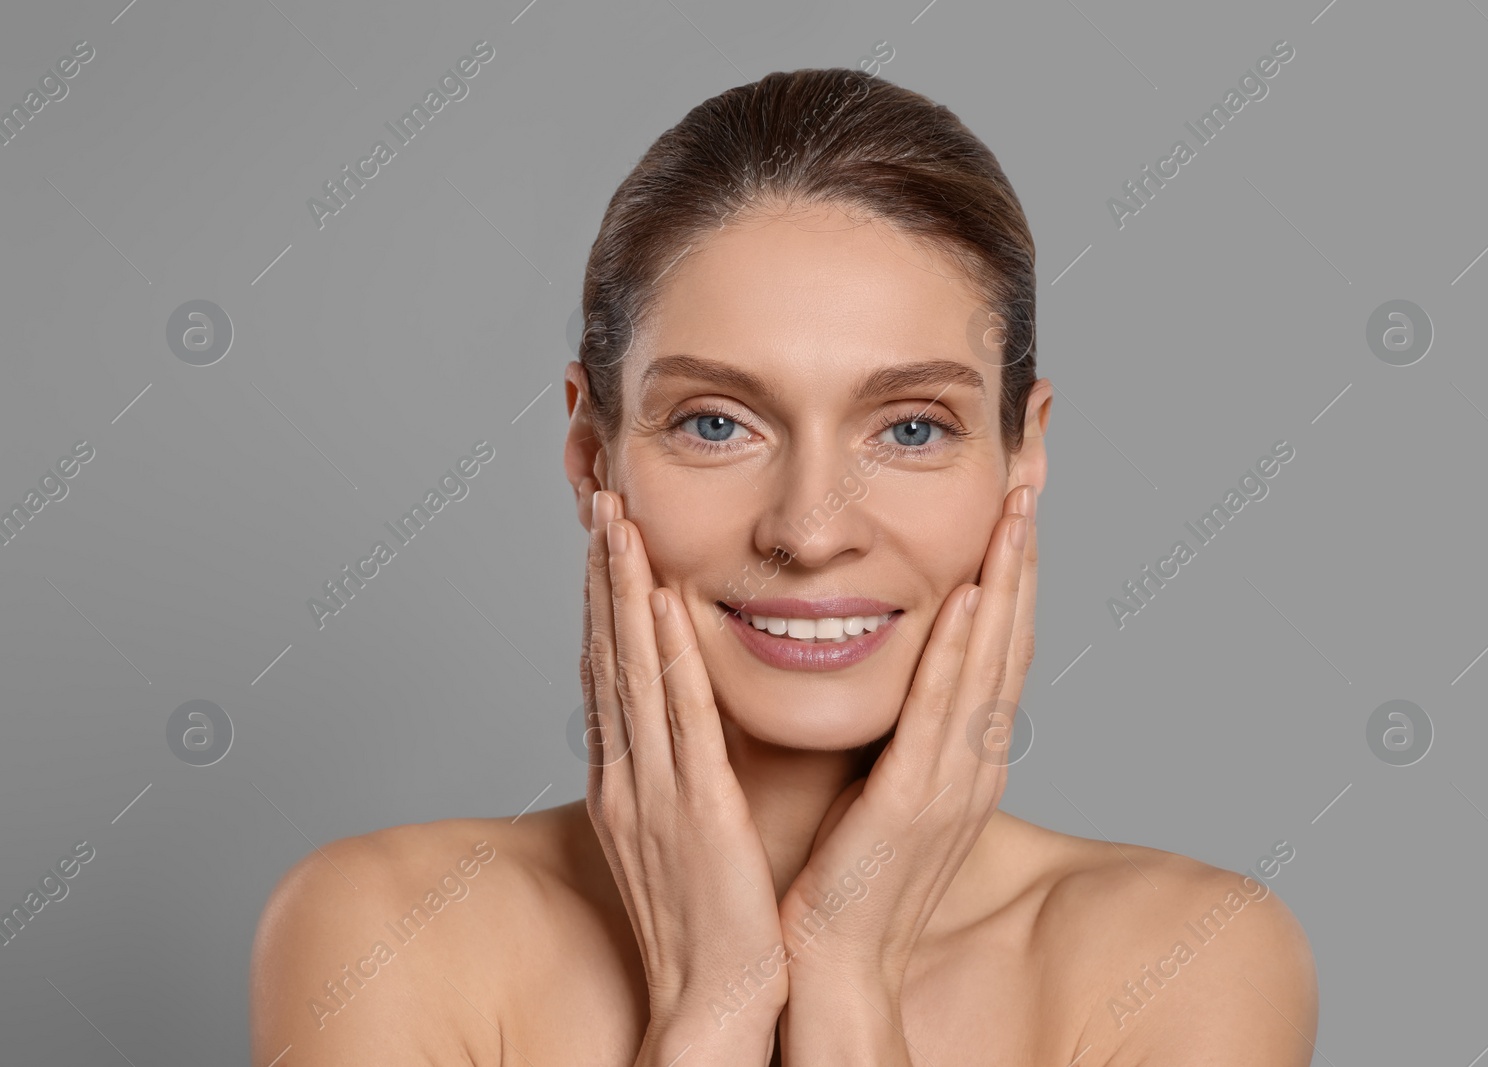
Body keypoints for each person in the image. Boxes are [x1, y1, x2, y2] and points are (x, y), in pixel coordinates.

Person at [251, 66, 1316, 1066]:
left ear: (1021, 453)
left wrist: (847, 985)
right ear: (589, 449)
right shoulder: (384, 931)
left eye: (909, 428)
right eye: (717, 422)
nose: (810, 530)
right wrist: (711, 1010)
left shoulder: (1188, 959)